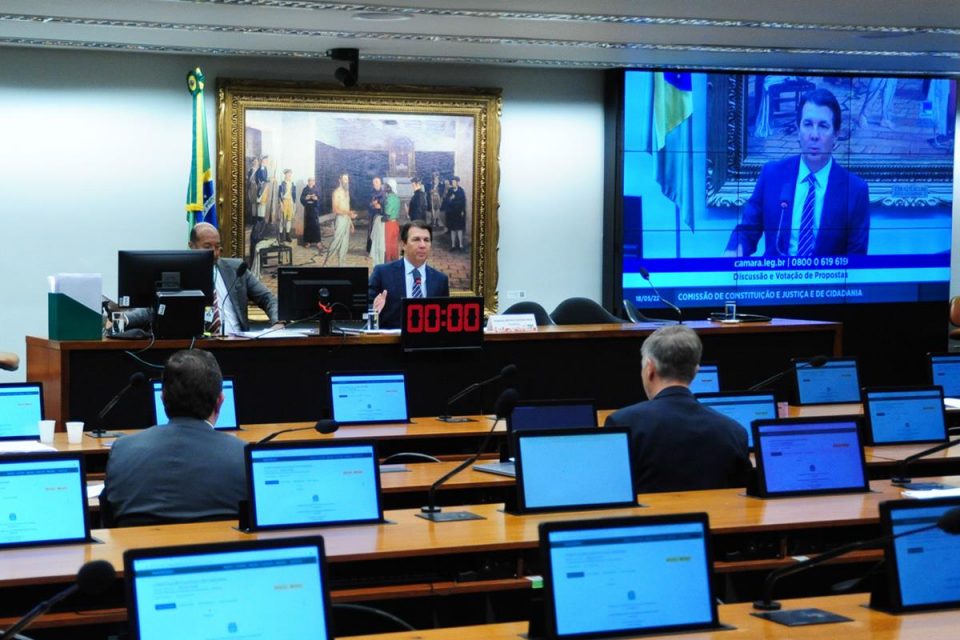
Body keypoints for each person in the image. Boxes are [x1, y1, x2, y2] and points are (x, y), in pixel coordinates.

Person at [100, 349, 246, 526]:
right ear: (220, 401)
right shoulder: (243, 455)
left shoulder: (122, 450)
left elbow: (107, 523)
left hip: (138, 553)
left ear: (162, 398)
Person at [604, 325, 750, 493]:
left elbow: (611, 491)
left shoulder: (623, 423)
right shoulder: (735, 431)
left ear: (650, 369)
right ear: (696, 372)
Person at [725, 88, 870, 257]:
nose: (814, 135)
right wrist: (733, 252)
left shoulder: (855, 189)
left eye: (823, 126)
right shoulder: (772, 175)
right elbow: (747, 230)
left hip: (827, 282)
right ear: (798, 129)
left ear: (836, 134)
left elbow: (857, 257)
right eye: (807, 124)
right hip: (776, 279)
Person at [124, 223, 278, 334]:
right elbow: (153, 308)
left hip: (238, 342)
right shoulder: (178, 274)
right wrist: (123, 319)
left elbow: (267, 298)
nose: (215, 252)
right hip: (197, 348)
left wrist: (278, 322)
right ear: (192, 246)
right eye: (207, 247)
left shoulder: (237, 269)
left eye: (217, 246)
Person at [368, 221, 450, 329]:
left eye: (426, 240)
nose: (422, 245)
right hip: (392, 342)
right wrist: (374, 310)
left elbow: (444, 320)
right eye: (416, 240)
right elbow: (365, 310)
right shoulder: (382, 273)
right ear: (403, 245)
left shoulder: (440, 280)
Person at [324, 172, 356, 266]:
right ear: (340, 180)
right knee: (336, 242)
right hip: (340, 220)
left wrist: (351, 223)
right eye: (345, 179)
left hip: (346, 220)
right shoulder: (336, 192)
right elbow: (335, 209)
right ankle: (327, 264)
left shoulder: (347, 192)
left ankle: (342, 265)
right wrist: (348, 213)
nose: (347, 181)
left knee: (345, 244)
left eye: (348, 179)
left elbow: (347, 208)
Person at [444, 175, 467, 251]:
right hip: (451, 213)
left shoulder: (461, 191)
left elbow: (463, 202)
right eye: (452, 182)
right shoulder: (450, 191)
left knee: (459, 229)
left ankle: (460, 245)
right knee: (452, 229)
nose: (453, 183)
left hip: (459, 213)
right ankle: (453, 245)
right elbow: (446, 201)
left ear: (457, 182)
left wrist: (462, 210)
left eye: (454, 182)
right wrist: (451, 199)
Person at [300, 176, 322, 252]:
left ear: (314, 182)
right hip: (308, 209)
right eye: (310, 181)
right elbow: (301, 199)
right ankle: (308, 242)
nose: (311, 182)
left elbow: (320, 198)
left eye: (312, 181)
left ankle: (318, 242)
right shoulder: (305, 189)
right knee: (308, 225)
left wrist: (316, 199)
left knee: (316, 226)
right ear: (308, 182)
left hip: (314, 210)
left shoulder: (316, 189)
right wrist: (305, 198)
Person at [383, 179, 401, 262]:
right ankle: (395, 260)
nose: (384, 187)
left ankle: (388, 261)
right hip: (396, 223)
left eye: (386, 186)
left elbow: (387, 215)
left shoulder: (389, 198)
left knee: (388, 244)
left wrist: (380, 218)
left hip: (389, 224)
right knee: (394, 244)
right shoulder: (397, 198)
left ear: (390, 188)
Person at [277, 168, 296, 243]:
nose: (289, 175)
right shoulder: (282, 184)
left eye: (290, 174)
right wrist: (281, 203)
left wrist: (294, 204)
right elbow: (279, 195)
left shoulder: (292, 184)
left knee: (289, 219)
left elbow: (294, 195)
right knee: (282, 220)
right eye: (288, 174)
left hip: (290, 202)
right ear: (285, 175)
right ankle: (281, 235)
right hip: (284, 202)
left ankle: (288, 235)